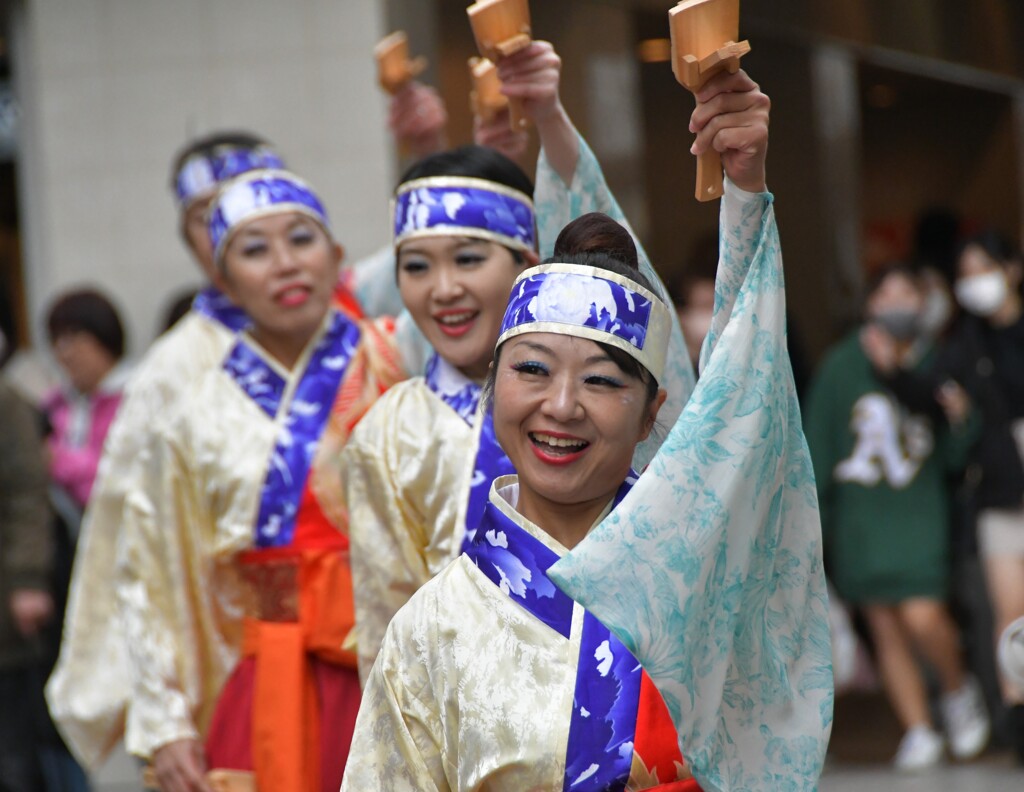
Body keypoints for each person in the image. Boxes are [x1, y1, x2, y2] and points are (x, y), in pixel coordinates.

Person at [344, 64, 831, 792]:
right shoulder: (428, 632)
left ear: (652, 415)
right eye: (532, 371)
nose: (562, 407)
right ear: (493, 384)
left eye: (603, 381)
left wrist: (745, 190)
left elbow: (749, 397)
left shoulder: (697, 574)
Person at [343, 40, 695, 681]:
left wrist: (550, 117)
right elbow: (383, 625)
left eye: (470, 259)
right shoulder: (388, 432)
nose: (443, 288)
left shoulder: (611, 402)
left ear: (529, 270)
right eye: (416, 267)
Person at [118, 169, 405, 792]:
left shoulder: (397, 363)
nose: (284, 264)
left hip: (398, 667)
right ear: (222, 281)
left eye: (301, 240)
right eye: (254, 250)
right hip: (271, 676)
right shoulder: (192, 414)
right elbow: (152, 568)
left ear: (335, 256)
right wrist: (166, 721)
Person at [45, 133, 288, 771]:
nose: (234, 225)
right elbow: (131, 550)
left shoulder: (358, 336)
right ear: (188, 238)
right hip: (227, 657)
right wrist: (162, 713)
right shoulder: (169, 374)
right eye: (208, 215)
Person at [804, 264, 990, 769]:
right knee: (884, 624)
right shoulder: (841, 367)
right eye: (886, 294)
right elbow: (817, 446)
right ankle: (918, 728)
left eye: (907, 293)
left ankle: (956, 689)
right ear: (870, 304)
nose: (897, 305)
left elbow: (957, 456)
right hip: (862, 517)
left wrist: (958, 419)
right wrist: (812, 519)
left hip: (917, 511)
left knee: (923, 613)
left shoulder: (938, 363)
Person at [943, 230, 1024, 760]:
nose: (975, 283)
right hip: (1000, 490)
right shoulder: (962, 345)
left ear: (1012, 269)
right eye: (965, 273)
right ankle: (1018, 716)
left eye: (983, 269)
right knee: (1011, 615)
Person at [0, 381, 52, 792]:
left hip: (5, 603)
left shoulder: (7, 402)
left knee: (13, 753)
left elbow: (28, 494)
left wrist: (28, 578)